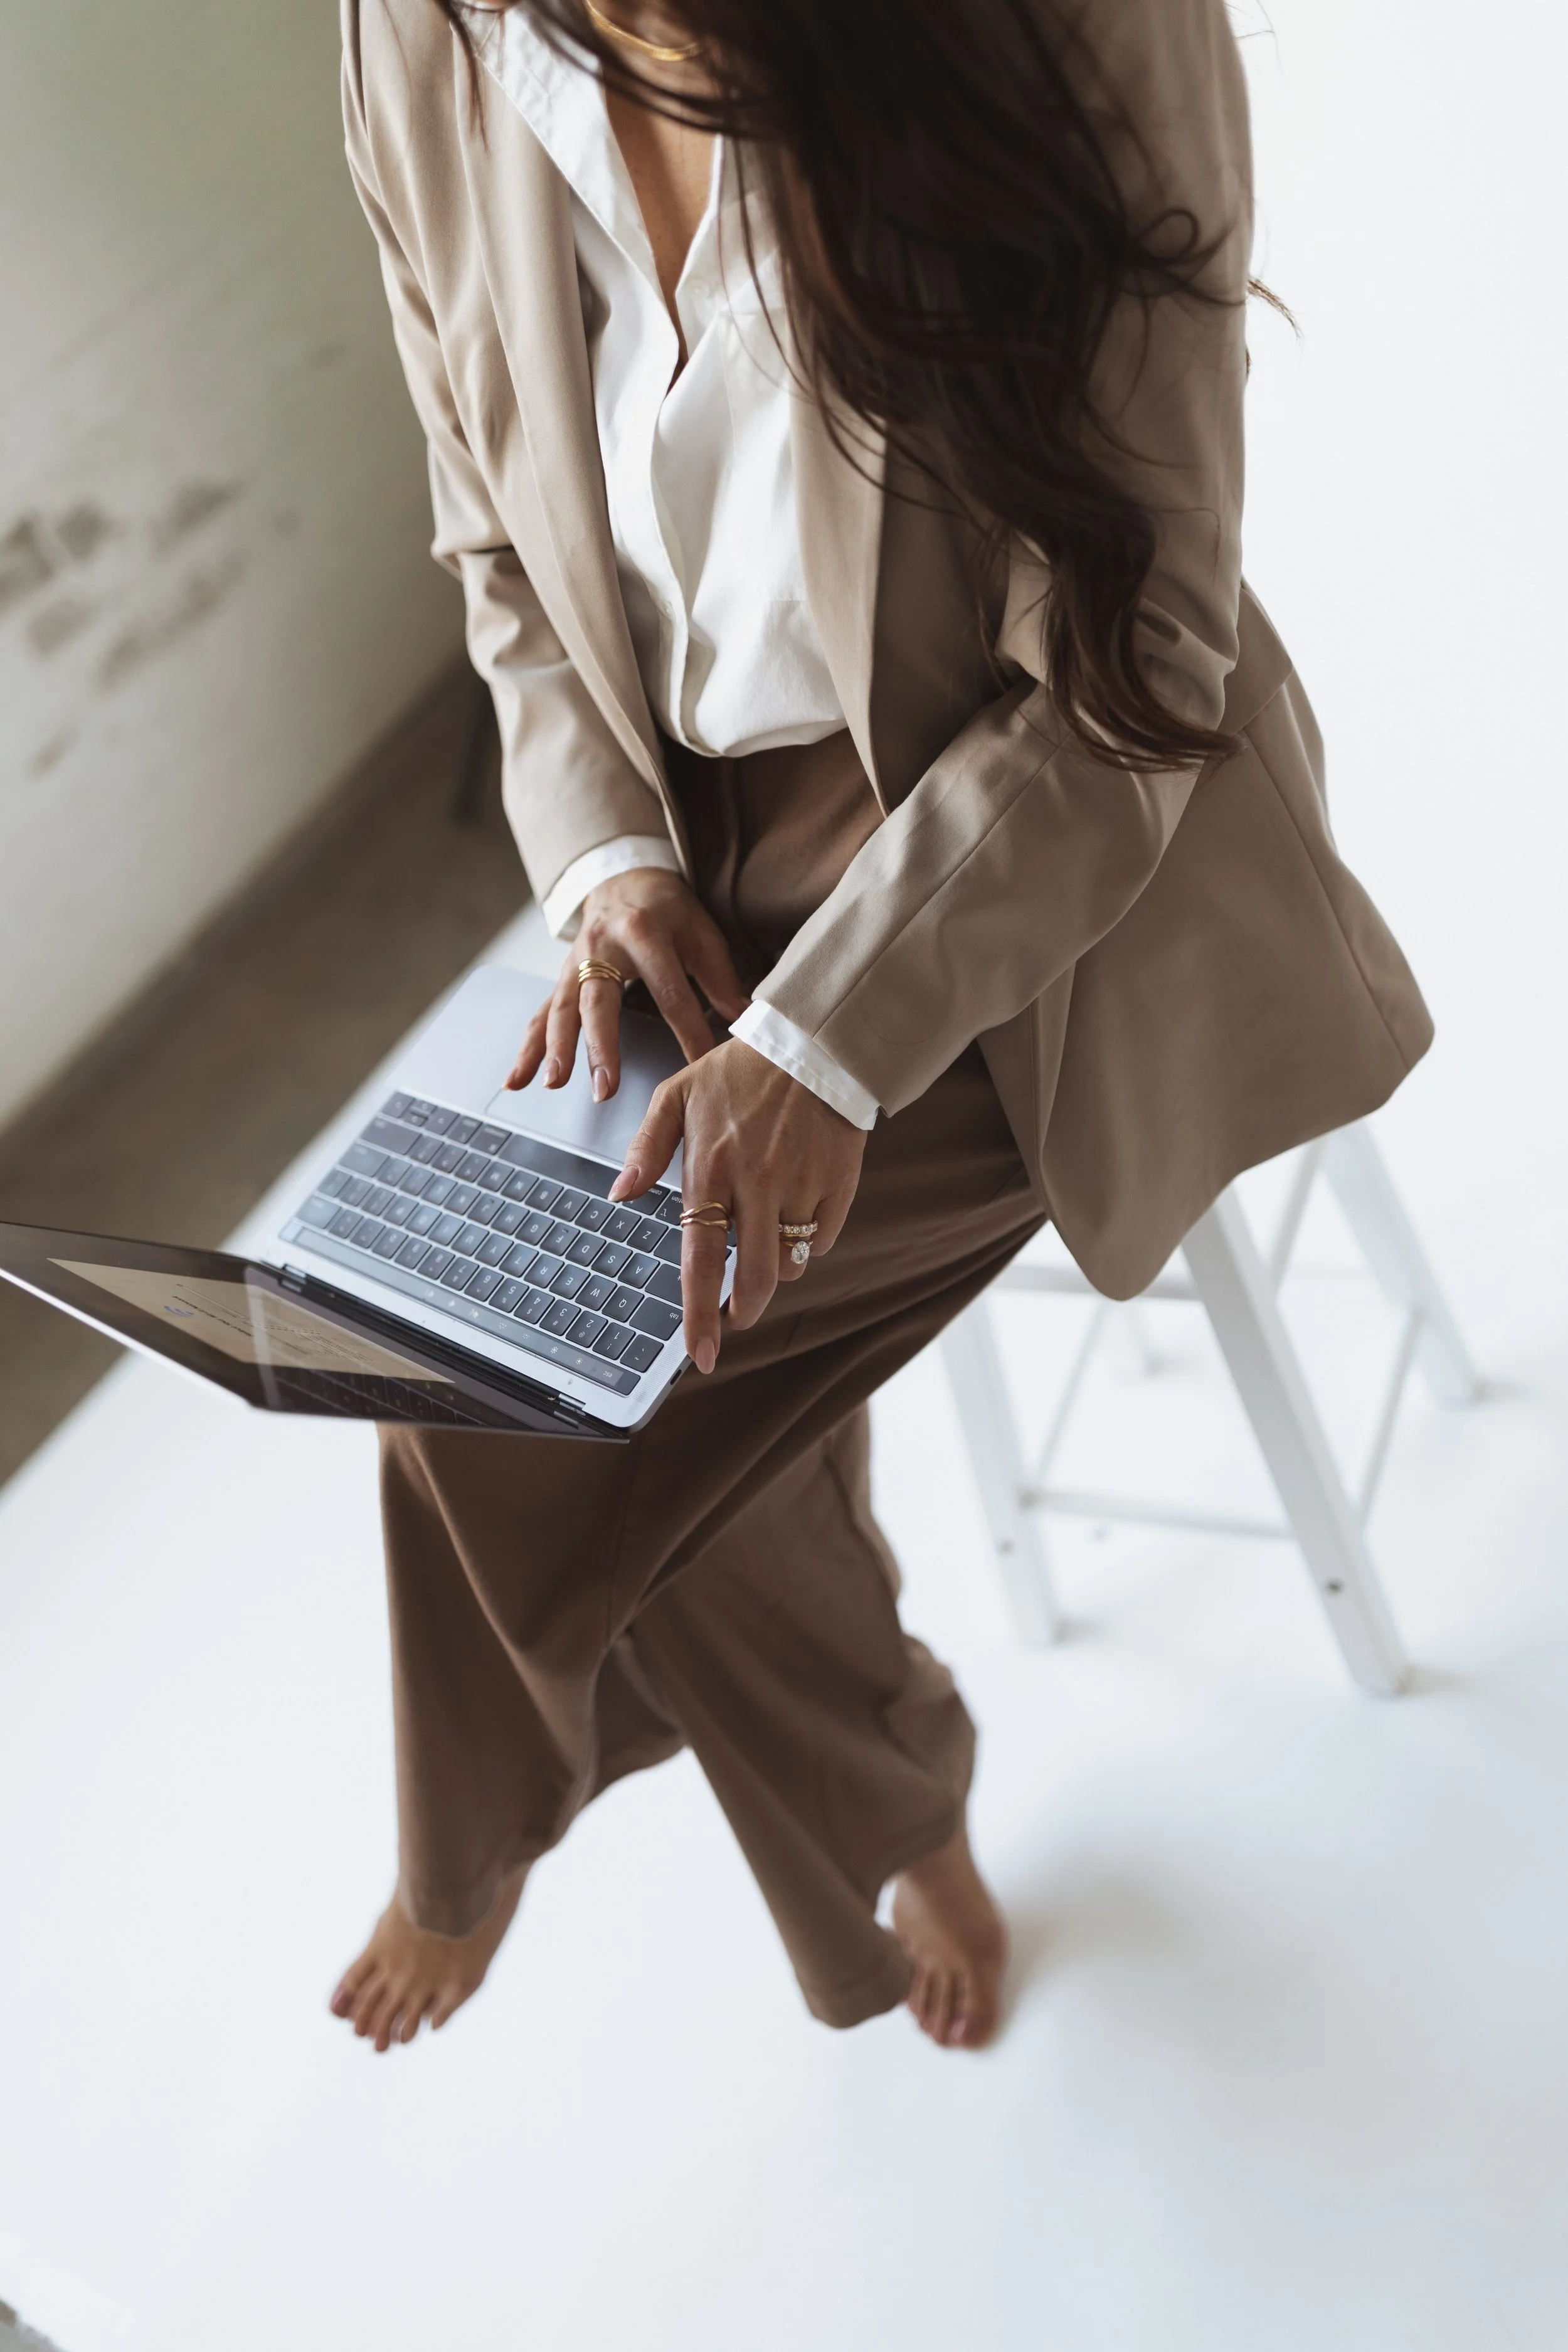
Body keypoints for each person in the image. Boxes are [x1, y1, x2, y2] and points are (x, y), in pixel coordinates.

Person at [328, 0, 1431, 2053]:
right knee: (529, 1340)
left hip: (1038, 855)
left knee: (549, 1404)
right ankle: (899, 1804)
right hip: (685, 839)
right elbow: (488, 532)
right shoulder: (421, 28)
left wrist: (832, 1040)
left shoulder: (1070, 28)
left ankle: (489, 1837)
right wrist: (602, 865)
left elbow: (1145, 653)